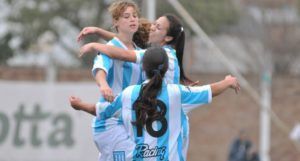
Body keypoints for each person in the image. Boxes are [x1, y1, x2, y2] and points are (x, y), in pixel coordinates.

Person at [71, 46, 240, 160]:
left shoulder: (128, 94)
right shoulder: (177, 93)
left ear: (143, 69)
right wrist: (228, 81)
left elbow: (102, 111)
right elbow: (210, 90)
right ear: (166, 69)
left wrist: (80, 105)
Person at [79, 13, 196, 85]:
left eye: (158, 27)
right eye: (154, 23)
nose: (152, 27)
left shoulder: (162, 55)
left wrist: (94, 45)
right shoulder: (160, 52)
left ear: (168, 37)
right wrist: (97, 31)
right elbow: (123, 41)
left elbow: (124, 53)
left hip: (164, 120)